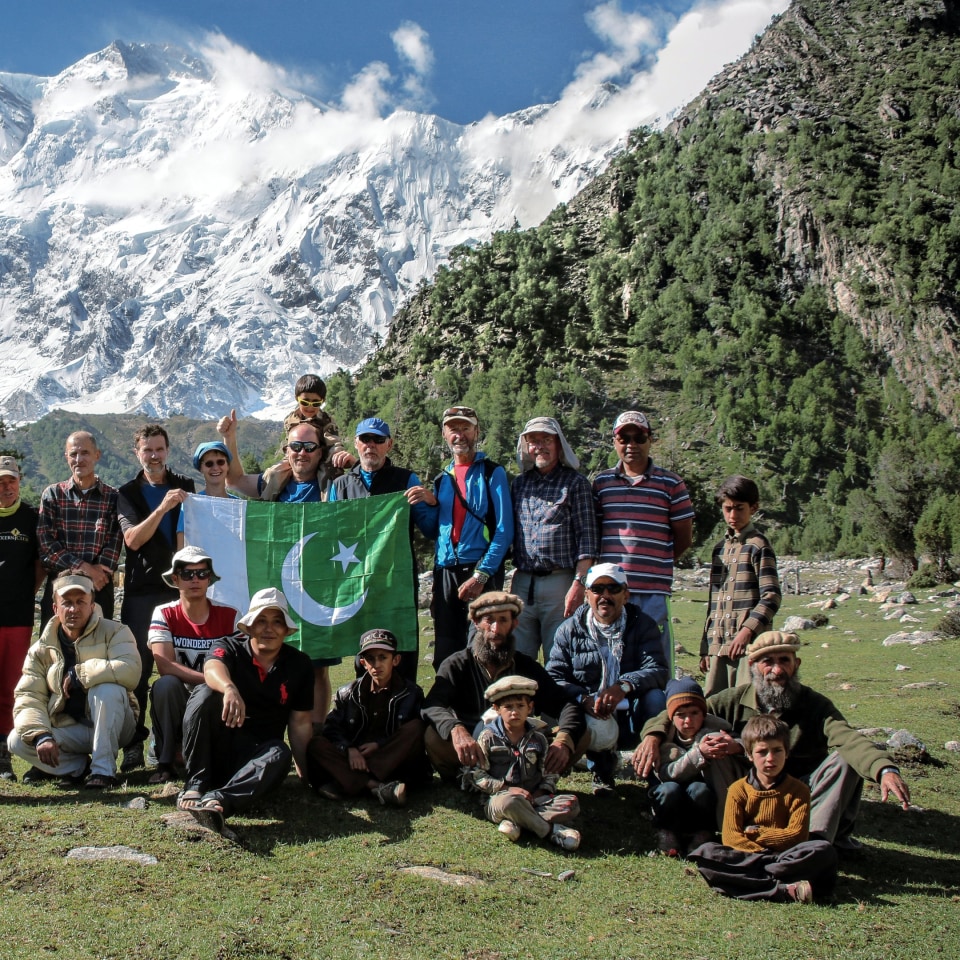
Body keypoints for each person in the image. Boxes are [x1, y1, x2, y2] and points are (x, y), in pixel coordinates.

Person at [633, 631, 913, 850]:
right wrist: (654, 736)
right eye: (768, 661)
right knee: (717, 746)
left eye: (784, 661)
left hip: (798, 791)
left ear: (796, 664)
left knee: (845, 759)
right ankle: (734, 832)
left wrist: (884, 769)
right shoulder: (730, 700)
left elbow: (848, 738)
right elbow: (683, 710)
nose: (776, 670)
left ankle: (813, 841)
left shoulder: (815, 704)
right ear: (753, 665)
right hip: (747, 791)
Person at [219, 416, 340, 722]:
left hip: (318, 585)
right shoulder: (275, 480)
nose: (301, 452)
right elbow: (234, 481)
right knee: (273, 658)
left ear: (320, 452)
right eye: (295, 446)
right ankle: (267, 728)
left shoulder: (335, 485)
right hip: (279, 586)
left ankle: (315, 734)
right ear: (287, 450)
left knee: (318, 666)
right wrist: (229, 438)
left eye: (309, 447)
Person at [178, 588, 313, 834]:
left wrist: (306, 775)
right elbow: (211, 669)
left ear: (286, 629)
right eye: (261, 621)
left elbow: (301, 723)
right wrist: (229, 688)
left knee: (279, 752)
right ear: (249, 626)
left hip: (255, 757)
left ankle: (219, 801)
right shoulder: (228, 645)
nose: (269, 629)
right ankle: (196, 782)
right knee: (206, 693)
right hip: (216, 749)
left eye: (277, 622)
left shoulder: (300, 664)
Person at [422, 591, 584, 781]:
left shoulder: (525, 666)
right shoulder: (456, 664)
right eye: (489, 620)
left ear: (514, 624)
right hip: (474, 749)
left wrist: (564, 740)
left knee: (582, 733)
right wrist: (456, 729)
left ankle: (536, 777)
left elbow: (565, 703)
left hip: (521, 748)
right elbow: (432, 705)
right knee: (433, 736)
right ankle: (467, 779)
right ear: (476, 623)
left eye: (503, 620)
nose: (496, 629)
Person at [329, 417, 438, 680]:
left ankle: (405, 712)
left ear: (388, 445)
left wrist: (431, 503)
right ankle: (364, 711)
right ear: (356, 443)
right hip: (358, 584)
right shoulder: (340, 485)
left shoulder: (405, 479)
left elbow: (432, 530)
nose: (371, 446)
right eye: (365, 439)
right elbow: (330, 536)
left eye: (378, 440)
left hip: (396, 584)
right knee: (362, 655)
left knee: (402, 650)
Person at [687, 716, 839, 903]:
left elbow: (797, 836)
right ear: (749, 755)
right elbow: (731, 837)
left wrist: (757, 832)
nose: (770, 758)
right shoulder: (738, 789)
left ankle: (753, 882)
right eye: (762, 752)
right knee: (707, 854)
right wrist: (761, 854)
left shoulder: (799, 791)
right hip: (752, 856)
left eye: (777, 751)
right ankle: (783, 890)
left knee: (823, 850)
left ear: (787, 753)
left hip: (783, 857)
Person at [8, 574, 140, 789]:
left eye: (80, 602)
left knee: (107, 688)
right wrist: (41, 736)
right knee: (18, 740)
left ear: (92, 605)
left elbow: (130, 671)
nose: (73, 609)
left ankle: (103, 772)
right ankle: (78, 767)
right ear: (55, 608)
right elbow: (29, 696)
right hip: (70, 728)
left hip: (116, 725)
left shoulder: (116, 631)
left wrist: (81, 674)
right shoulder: (41, 649)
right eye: (67, 603)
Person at [546, 562, 667, 795]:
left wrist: (624, 685)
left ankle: (656, 777)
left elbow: (658, 670)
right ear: (587, 594)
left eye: (613, 589)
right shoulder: (569, 629)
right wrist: (583, 698)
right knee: (573, 707)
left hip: (631, 709)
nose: (605, 596)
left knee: (656, 698)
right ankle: (601, 771)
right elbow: (554, 677)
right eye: (598, 589)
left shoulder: (643, 625)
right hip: (590, 710)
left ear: (626, 595)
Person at [117, 424, 196, 772]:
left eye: (159, 449)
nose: (154, 456)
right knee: (137, 670)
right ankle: (133, 744)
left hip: (178, 589)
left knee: (177, 669)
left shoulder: (187, 487)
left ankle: (172, 745)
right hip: (140, 592)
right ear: (137, 453)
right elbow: (132, 539)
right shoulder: (127, 493)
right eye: (147, 450)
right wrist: (163, 508)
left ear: (168, 450)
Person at [592, 410, 694, 670]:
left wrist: (656, 563)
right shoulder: (601, 484)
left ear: (650, 440)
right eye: (624, 438)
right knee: (611, 660)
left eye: (639, 437)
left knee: (655, 662)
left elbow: (684, 536)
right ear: (614, 441)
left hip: (653, 592)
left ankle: (657, 709)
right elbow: (593, 534)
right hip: (610, 591)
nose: (631, 445)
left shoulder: (671, 483)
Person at [420, 405, 513, 666]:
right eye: (453, 429)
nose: (459, 435)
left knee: (483, 649)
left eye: (465, 428)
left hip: (480, 570)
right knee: (446, 652)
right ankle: (448, 706)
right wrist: (427, 504)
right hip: (446, 571)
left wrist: (482, 574)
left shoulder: (492, 473)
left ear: (476, 431)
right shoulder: (441, 479)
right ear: (444, 434)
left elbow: (504, 530)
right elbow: (433, 532)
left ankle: (484, 705)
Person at [146, 546, 242, 784]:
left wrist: (218, 686)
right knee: (164, 685)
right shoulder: (164, 613)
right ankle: (165, 760)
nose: (195, 580)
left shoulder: (231, 615)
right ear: (175, 579)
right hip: (181, 696)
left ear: (210, 578)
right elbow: (165, 664)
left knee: (215, 692)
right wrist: (213, 680)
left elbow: (240, 664)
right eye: (187, 574)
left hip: (215, 700)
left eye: (201, 573)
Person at [307, 628, 429, 806]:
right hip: (356, 760)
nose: (376, 664)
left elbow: (410, 738)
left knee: (416, 727)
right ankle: (377, 786)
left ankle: (352, 781)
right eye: (370, 659)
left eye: (382, 657)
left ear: (395, 660)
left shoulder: (411, 693)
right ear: (363, 663)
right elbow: (331, 728)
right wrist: (349, 749)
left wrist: (380, 744)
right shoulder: (347, 693)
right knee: (316, 744)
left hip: (391, 761)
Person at [510, 417, 597, 663]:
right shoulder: (519, 485)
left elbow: (587, 539)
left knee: (560, 658)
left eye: (546, 440)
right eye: (533, 441)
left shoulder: (575, 484)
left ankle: (559, 702)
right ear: (526, 447)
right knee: (519, 659)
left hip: (561, 583)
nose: (540, 447)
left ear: (559, 445)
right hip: (522, 583)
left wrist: (579, 585)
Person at [462, 675, 581, 851]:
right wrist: (507, 789)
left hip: (535, 798)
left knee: (571, 803)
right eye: (508, 707)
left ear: (530, 708)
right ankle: (550, 830)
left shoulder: (539, 738)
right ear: (496, 709)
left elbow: (550, 772)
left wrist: (540, 792)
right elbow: (477, 775)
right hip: (501, 798)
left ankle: (517, 822)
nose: (514, 712)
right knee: (510, 803)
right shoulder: (488, 738)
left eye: (520, 706)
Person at [699, 475, 781, 697]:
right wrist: (706, 649)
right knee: (715, 707)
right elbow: (714, 603)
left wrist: (746, 632)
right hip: (719, 645)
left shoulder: (758, 546)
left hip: (749, 646)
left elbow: (772, 596)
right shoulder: (719, 549)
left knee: (749, 702)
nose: (732, 515)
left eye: (739, 508)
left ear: (753, 508)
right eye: (727, 509)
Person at [37, 430, 122, 624]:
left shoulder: (113, 497)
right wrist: (84, 569)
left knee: (98, 650)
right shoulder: (53, 495)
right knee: (54, 649)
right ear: (66, 456)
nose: (79, 459)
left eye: (85, 453)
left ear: (97, 455)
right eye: (73, 454)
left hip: (99, 588)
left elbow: (115, 543)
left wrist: (96, 575)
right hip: (59, 587)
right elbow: (46, 547)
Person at [648, 677, 735, 856]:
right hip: (670, 795)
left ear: (703, 714)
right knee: (669, 790)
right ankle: (666, 830)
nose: (688, 720)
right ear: (672, 718)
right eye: (681, 715)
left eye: (694, 713)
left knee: (700, 789)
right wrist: (699, 754)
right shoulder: (663, 739)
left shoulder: (717, 733)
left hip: (701, 798)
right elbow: (666, 774)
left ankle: (701, 832)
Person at [0, 456, 45, 780]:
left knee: (11, 687)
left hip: (18, 615)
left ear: (19, 480)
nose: (6, 487)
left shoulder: (31, 517)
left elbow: (40, 565)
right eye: (0, 481)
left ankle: (4, 755)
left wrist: (28, 591)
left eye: (11, 480)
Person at [176, 441, 239, 550]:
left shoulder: (239, 506)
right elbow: (182, 547)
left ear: (228, 466)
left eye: (220, 462)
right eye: (209, 464)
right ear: (201, 469)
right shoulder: (190, 505)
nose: (215, 468)